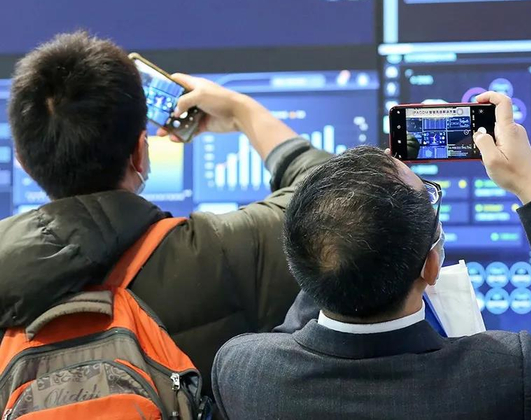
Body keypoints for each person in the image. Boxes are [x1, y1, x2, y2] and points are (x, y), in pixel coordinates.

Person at [212, 92, 531, 419]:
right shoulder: (508, 377)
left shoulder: (242, 372)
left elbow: (331, 262)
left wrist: (367, 197)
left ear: (296, 260)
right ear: (432, 266)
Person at [0, 32, 331, 396]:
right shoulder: (221, 253)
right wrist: (241, 111)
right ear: (140, 153)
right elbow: (333, 196)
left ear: (24, 163)